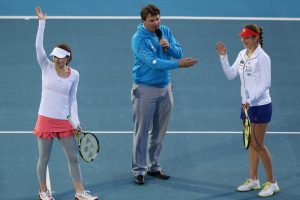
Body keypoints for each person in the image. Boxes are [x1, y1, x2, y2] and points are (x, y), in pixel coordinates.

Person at [34, 7, 98, 200]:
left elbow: (72, 100)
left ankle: (79, 192)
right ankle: (43, 191)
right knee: (44, 158)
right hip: (45, 119)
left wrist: (76, 122)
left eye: (59, 56)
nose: (55, 58)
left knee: (73, 158)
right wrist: (42, 22)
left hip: (63, 121)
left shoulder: (75, 75)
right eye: (54, 56)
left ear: (67, 57)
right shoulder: (46, 66)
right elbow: (38, 48)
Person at [130, 4, 198, 185]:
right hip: (145, 89)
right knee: (142, 132)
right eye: (152, 20)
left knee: (159, 132)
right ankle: (139, 170)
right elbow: (153, 62)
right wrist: (178, 64)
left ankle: (154, 166)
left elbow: (179, 51)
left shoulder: (165, 31)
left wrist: (169, 47)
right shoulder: (138, 39)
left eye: (158, 19)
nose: (156, 23)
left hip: (165, 88)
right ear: (143, 21)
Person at [216, 24, 279, 197]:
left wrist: (250, 100)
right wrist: (223, 57)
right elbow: (230, 74)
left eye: (247, 37)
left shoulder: (263, 58)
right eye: (242, 37)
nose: (243, 40)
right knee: (252, 143)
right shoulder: (242, 54)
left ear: (256, 38)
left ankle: (272, 182)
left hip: (261, 105)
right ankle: (253, 180)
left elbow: (266, 83)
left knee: (258, 144)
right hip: (247, 105)